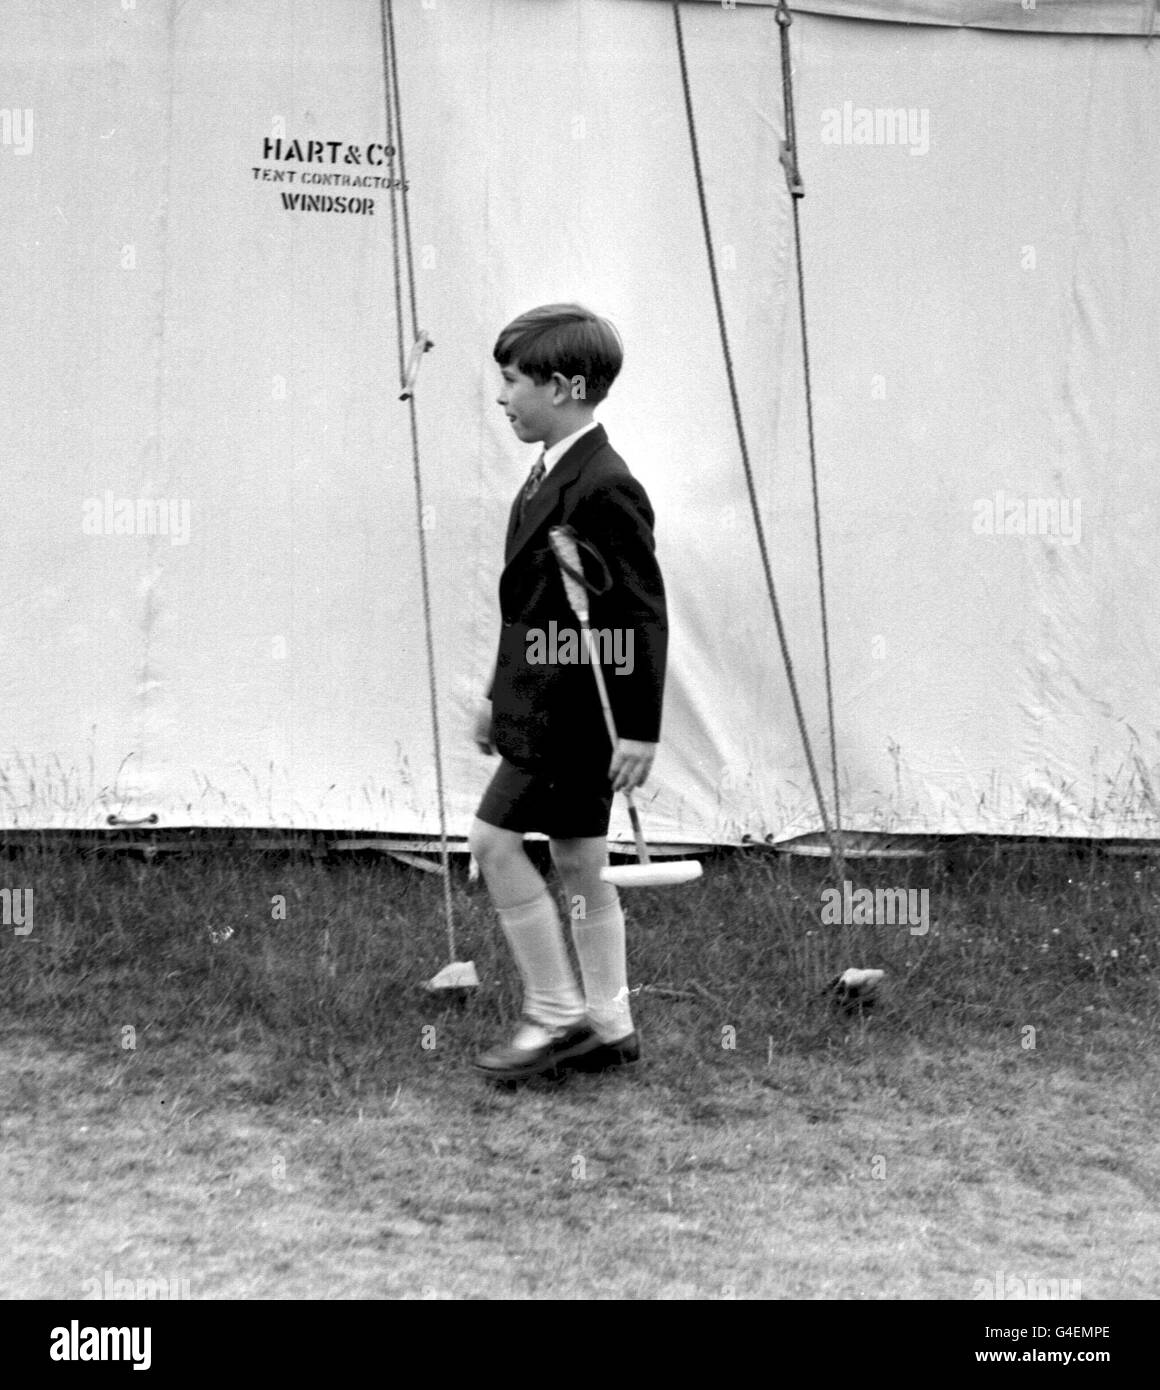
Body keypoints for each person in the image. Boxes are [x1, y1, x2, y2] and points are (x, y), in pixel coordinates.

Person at [469, 303, 668, 1082]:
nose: (502, 397)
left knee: (494, 845)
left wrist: (641, 729)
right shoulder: (550, 471)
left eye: (512, 381)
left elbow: (639, 612)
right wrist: (495, 692)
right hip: (535, 700)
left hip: (574, 717)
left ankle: (554, 1015)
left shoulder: (606, 485)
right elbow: (528, 604)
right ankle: (611, 1025)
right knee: (582, 860)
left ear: (566, 386)